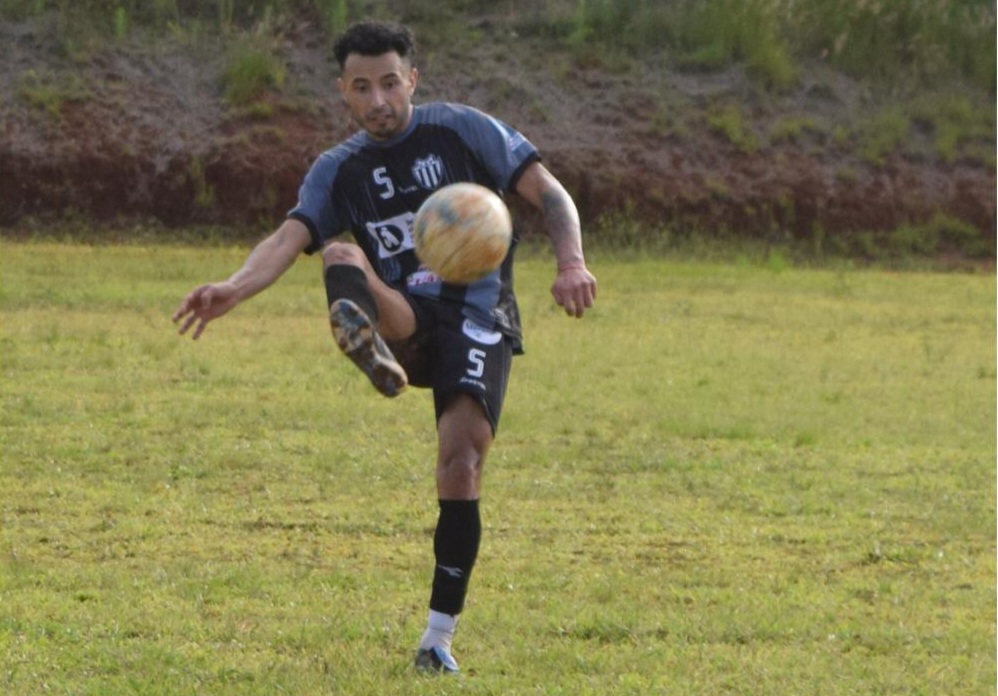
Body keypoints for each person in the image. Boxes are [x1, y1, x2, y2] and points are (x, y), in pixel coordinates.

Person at [172, 19, 596, 674]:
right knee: (338, 252)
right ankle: (364, 340)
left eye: (390, 84)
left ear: (412, 80)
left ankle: (436, 640)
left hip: (478, 316)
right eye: (363, 88)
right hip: (408, 318)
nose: (379, 101)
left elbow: (550, 192)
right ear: (343, 91)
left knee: (460, 465)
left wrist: (571, 263)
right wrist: (234, 286)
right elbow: (288, 238)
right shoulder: (338, 169)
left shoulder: (461, 129)